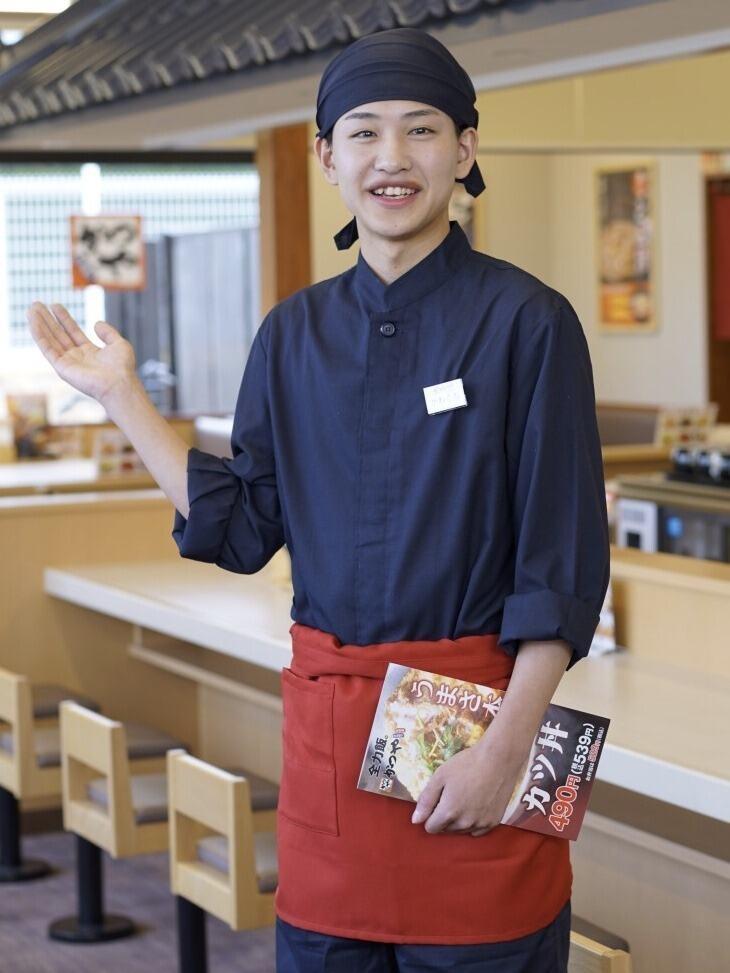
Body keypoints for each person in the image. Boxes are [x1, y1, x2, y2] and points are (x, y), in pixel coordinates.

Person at [27, 25, 609, 972]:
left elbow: (562, 561)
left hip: (480, 740)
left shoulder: (528, 322)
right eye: (365, 133)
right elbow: (243, 525)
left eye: (422, 131)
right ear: (326, 155)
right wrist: (122, 397)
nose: (393, 158)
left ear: (465, 151)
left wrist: (508, 751)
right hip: (332, 758)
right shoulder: (291, 333)